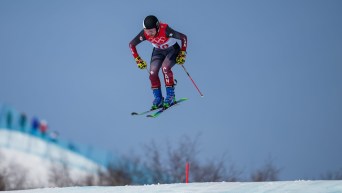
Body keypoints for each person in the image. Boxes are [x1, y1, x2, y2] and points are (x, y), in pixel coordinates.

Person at [129, 15, 188, 109]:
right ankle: (158, 98)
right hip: (158, 51)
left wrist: (183, 53)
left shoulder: (165, 30)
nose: (149, 33)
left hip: (172, 49)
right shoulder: (144, 34)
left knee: (165, 68)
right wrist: (138, 59)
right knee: (152, 73)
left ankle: (171, 96)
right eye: (147, 31)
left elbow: (184, 37)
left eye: (152, 30)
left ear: (157, 27)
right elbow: (131, 44)